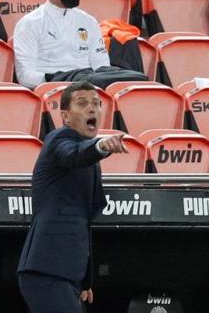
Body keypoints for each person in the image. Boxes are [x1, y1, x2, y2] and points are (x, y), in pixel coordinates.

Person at [17, 81, 128, 313]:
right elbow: (74, 154)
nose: (92, 109)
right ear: (66, 116)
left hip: (66, 275)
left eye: (97, 104)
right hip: (46, 270)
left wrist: (84, 280)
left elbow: (83, 220)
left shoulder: (91, 162)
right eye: (83, 103)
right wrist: (100, 147)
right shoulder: (59, 139)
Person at [13, 0, 147, 89]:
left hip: (90, 88)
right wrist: (58, 80)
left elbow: (102, 67)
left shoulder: (88, 21)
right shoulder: (30, 23)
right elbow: (24, 76)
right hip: (54, 88)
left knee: (137, 80)